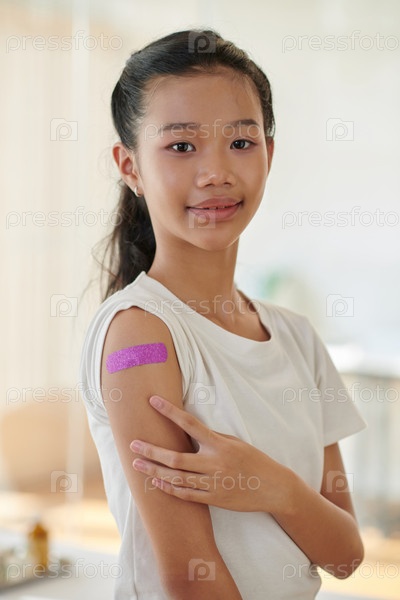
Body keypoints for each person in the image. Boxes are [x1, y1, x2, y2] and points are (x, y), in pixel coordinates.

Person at [79, 28, 367, 600]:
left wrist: (273, 486)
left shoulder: (297, 337)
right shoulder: (140, 334)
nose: (216, 172)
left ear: (269, 154)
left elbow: (346, 555)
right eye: (182, 146)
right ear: (130, 166)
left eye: (240, 141)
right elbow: (189, 579)